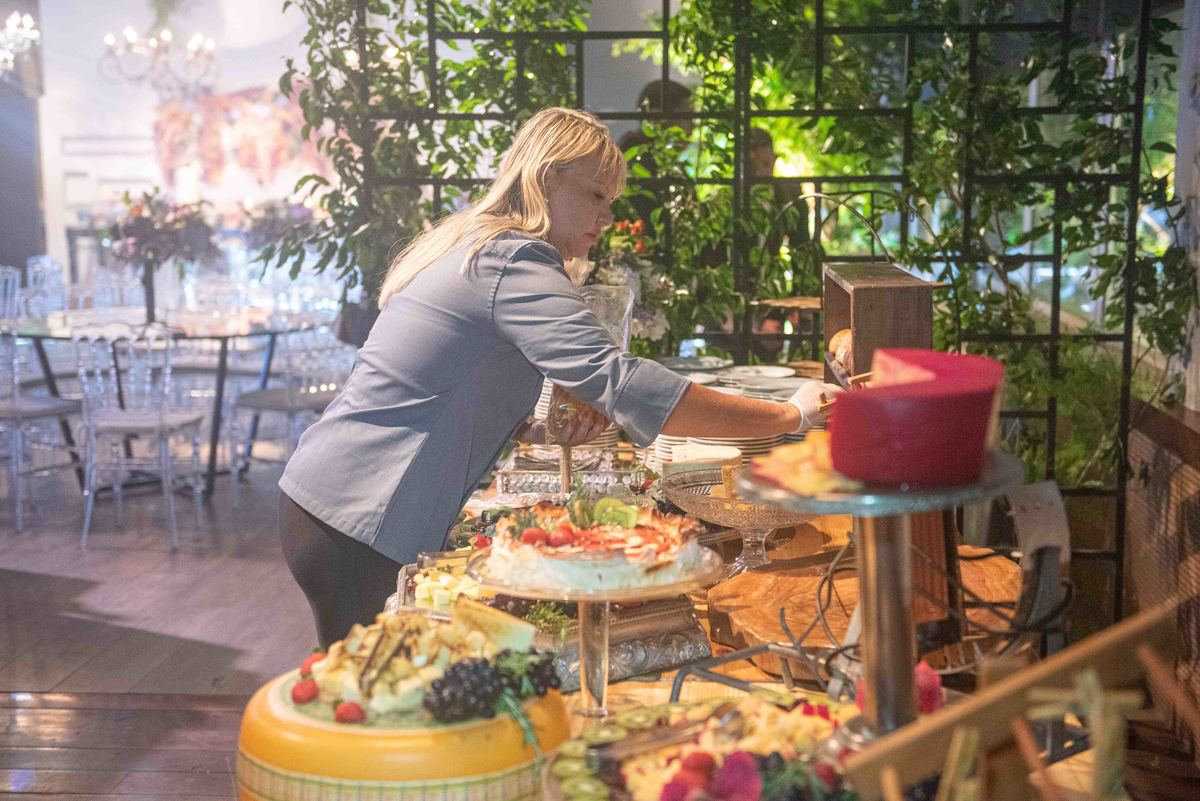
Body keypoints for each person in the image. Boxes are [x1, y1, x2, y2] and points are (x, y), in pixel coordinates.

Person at [278, 107, 842, 648]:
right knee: (363, 711)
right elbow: (617, 380)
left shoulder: (478, 243)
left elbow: (443, 380)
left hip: (332, 501)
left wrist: (533, 431)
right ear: (547, 178)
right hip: (357, 518)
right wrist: (788, 414)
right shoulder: (514, 258)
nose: (606, 217)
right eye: (596, 195)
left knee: (358, 698)